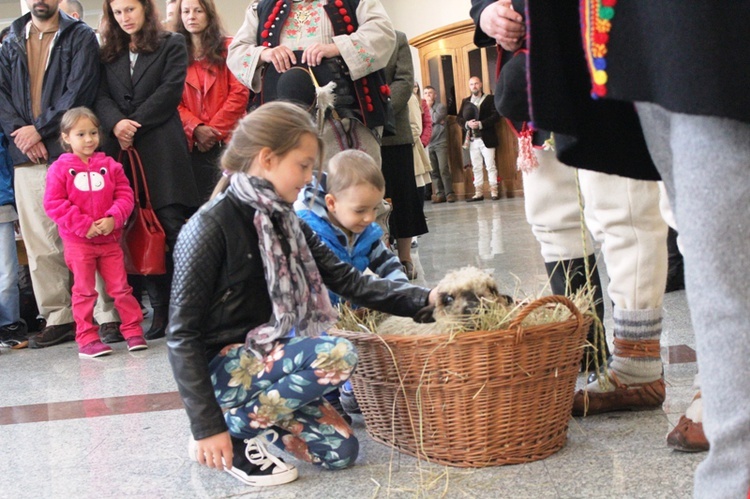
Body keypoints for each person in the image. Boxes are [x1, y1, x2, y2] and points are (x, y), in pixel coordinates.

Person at [476, 1, 750, 496]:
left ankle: (648, 365)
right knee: (560, 219)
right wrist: (487, 11)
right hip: (575, 33)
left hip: (681, 28)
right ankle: (589, 357)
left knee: (656, 219)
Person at [167, 101, 436, 487]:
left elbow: (348, 281)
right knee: (337, 352)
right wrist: (206, 423)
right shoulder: (209, 227)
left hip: (269, 359)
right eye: (304, 165)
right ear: (267, 158)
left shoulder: (285, 218)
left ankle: (249, 419)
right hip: (222, 368)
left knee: (340, 453)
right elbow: (181, 336)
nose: (310, 177)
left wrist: (424, 301)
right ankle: (232, 430)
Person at [0, 0, 122, 349]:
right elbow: (2, 95)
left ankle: (106, 314)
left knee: (91, 234)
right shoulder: (11, 39)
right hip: (25, 154)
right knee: (41, 243)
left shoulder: (80, 35)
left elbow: (79, 90)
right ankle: (59, 317)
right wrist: (22, 134)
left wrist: (39, 130)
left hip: (71, 152)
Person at [96, 0, 200, 342]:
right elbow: (99, 96)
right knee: (133, 230)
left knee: (168, 228)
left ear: (145, 9)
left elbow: (170, 92)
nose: (124, 18)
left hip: (161, 149)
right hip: (120, 152)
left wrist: (132, 124)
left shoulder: (170, 43)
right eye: (118, 12)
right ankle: (154, 311)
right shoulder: (107, 50)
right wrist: (116, 124)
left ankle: (181, 311)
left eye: (130, 9)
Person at [225, 0, 396, 168]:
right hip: (285, 124)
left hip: (346, 118)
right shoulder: (261, 8)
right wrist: (265, 53)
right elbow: (236, 53)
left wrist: (337, 48)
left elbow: (383, 33)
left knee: (353, 186)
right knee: (294, 190)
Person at [43, 107, 146, 358]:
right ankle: (87, 339)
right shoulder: (59, 168)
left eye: (93, 133)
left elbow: (125, 195)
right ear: (66, 138)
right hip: (78, 243)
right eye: (80, 134)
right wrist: (83, 225)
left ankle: (132, 331)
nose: (89, 139)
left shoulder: (110, 165)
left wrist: (113, 218)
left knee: (121, 287)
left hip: (110, 241)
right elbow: (54, 203)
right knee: (84, 290)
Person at [176, 0, 249, 203]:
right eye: (186, 11)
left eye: (198, 10)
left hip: (228, 140)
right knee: (197, 207)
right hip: (191, 143)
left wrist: (212, 131)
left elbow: (239, 93)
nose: (191, 16)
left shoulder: (229, 46)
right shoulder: (173, 53)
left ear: (208, 14)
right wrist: (196, 128)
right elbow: (171, 99)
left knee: (231, 203)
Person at [381, 30, 427, 281]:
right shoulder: (343, 40)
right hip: (358, 132)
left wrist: (381, 113)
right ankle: (381, 256)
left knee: (403, 197)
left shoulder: (397, 38)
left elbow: (405, 80)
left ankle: (405, 258)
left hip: (394, 132)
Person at [0, 129, 26, 350]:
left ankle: (9, 325)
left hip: (2, 206)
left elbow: (10, 168)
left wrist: (16, 205)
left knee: (8, 273)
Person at [456, 76, 501, 201]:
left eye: (476, 83)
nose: (474, 86)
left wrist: (481, 124)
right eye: (471, 84)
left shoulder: (490, 99)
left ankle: (494, 191)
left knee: (490, 165)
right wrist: (467, 124)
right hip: (472, 140)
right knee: (476, 166)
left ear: (480, 84)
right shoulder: (465, 101)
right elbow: (458, 118)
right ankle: (479, 193)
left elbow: (496, 116)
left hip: (487, 137)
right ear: (469, 86)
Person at [424, 85, 455, 203]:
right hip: (429, 143)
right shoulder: (422, 108)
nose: (428, 95)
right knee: (434, 171)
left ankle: (449, 193)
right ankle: (439, 193)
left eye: (430, 93)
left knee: (443, 169)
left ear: (435, 95)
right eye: (426, 93)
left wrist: (429, 108)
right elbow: (424, 121)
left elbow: (436, 118)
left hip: (440, 142)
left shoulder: (440, 106)